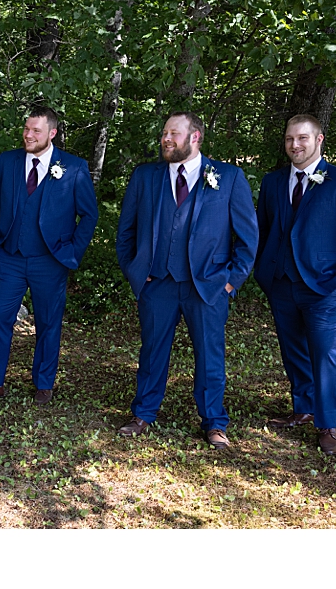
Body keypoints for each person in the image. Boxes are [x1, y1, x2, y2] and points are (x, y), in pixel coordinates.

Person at [115, 111, 257, 449]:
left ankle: (214, 422)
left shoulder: (229, 177)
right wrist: (137, 273)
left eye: (173, 133)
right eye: (165, 132)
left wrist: (230, 281)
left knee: (210, 355)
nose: (166, 139)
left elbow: (248, 238)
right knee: (152, 351)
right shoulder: (145, 176)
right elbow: (126, 232)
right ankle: (143, 413)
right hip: (158, 283)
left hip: (207, 285)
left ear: (195, 137)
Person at [0, 106, 98, 407]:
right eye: (26, 129)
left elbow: (89, 215)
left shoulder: (73, 167)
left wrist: (71, 252)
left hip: (50, 261)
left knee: (48, 322)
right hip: (10, 256)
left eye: (36, 130)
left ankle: (44, 383)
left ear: (52, 132)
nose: (28, 134)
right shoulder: (8, 161)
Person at [254, 114, 336, 455]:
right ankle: (303, 409)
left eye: (302, 138)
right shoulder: (273, 182)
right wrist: (264, 272)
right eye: (290, 139)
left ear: (319, 140)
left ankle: (328, 424)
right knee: (293, 353)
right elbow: (262, 230)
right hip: (281, 283)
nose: (295, 145)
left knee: (324, 354)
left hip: (324, 287)